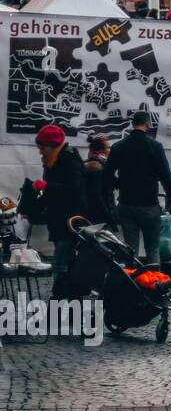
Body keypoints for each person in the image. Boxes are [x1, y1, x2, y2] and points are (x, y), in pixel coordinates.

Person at [105, 110, 171, 265]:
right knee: (153, 249)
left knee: (130, 249)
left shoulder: (118, 146)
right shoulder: (155, 146)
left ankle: (131, 285)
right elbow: (165, 175)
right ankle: (154, 284)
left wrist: (120, 184)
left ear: (132, 124)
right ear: (147, 124)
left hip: (126, 203)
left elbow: (107, 174)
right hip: (149, 204)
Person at [37, 125, 86, 298]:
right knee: (66, 262)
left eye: (42, 147)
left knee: (60, 263)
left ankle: (59, 301)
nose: (40, 151)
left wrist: (47, 186)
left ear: (52, 146)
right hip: (60, 219)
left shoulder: (68, 159)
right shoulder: (53, 159)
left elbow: (74, 189)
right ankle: (71, 299)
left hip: (69, 221)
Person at [82, 135, 117, 227]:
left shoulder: (101, 165)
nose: (110, 149)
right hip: (99, 216)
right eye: (108, 147)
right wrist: (109, 216)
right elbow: (96, 194)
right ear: (99, 151)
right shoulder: (96, 167)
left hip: (94, 213)